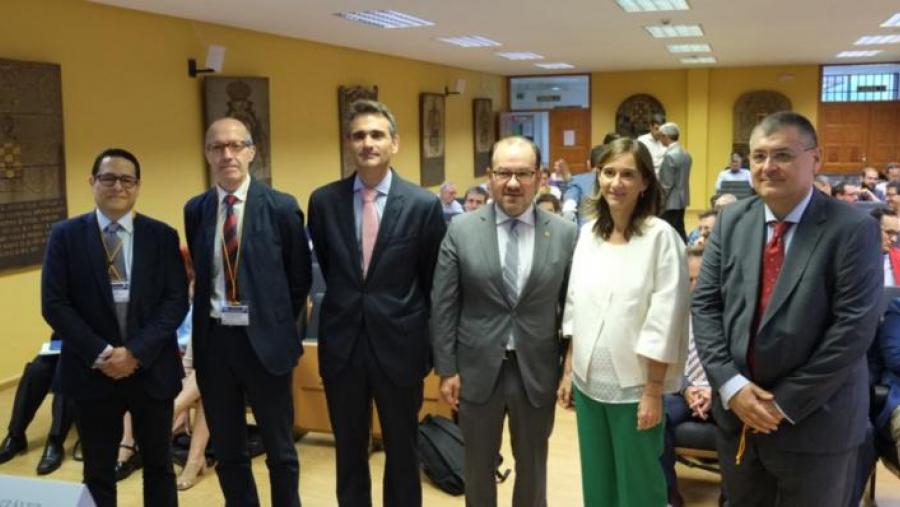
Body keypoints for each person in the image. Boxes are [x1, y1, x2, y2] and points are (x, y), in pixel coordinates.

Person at [692, 111, 882, 507]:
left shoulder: (852, 229)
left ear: (816, 159)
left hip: (816, 423)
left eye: (782, 155)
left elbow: (853, 330)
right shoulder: (731, 221)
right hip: (739, 417)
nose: (767, 167)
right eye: (758, 156)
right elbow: (706, 306)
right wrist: (732, 386)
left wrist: (781, 404)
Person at [307, 100, 446, 507]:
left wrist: (435, 351)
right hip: (342, 345)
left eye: (377, 135)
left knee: (402, 449)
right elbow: (332, 269)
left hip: (400, 346)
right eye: (359, 135)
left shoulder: (421, 204)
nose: (367, 143)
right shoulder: (324, 201)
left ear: (394, 143)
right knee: (348, 449)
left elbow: (431, 281)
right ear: (349, 143)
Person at [432, 135, 577, 507]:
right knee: (477, 468)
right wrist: (447, 368)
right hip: (477, 370)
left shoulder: (563, 234)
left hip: (536, 368)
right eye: (503, 173)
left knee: (533, 467)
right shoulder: (461, 230)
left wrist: (569, 369)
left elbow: (573, 308)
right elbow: (444, 304)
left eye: (523, 174)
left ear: (540, 177)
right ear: (489, 176)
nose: (513, 183)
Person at [42, 148, 188, 507]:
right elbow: (54, 305)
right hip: (93, 371)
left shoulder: (162, 236)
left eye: (127, 179)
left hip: (150, 369)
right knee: (98, 471)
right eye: (108, 178)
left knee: (159, 466)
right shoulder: (65, 236)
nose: (118, 186)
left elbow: (175, 302)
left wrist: (134, 352)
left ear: (137, 187)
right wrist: (104, 353)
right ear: (92, 182)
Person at [184, 118, 312, 507]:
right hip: (216, 344)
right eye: (218, 147)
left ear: (252, 152)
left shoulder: (282, 207)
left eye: (237, 145)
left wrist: (274, 324)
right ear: (207, 154)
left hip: (266, 345)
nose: (227, 154)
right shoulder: (196, 210)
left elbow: (298, 279)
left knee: (280, 451)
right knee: (228, 451)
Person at [557, 137, 689, 507]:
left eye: (628, 174)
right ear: (597, 176)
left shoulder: (661, 238)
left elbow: (666, 319)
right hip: (587, 382)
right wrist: (568, 370)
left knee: (638, 487)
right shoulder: (588, 235)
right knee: (598, 484)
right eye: (609, 172)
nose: (616, 182)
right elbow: (574, 305)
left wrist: (653, 390)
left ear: (645, 182)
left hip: (635, 386)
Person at [661, 247, 711, 506]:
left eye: (699, 279)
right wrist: (687, 389)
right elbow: (666, 363)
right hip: (683, 390)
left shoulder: (730, 313)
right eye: (687, 280)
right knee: (656, 415)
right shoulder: (672, 315)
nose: (693, 287)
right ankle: (669, 498)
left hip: (722, 394)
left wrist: (713, 392)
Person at [0, 336, 75, 475]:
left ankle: (55, 441)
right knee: (36, 369)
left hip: (95, 349)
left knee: (65, 369)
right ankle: (15, 435)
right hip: (64, 344)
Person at [658, 122, 692, 242]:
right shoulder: (686, 153)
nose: (659, 139)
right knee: (679, 230)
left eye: (660, 136)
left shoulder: (670, 156)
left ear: (665, 136)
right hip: (682, 199)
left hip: (670, 201)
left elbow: (666, 184)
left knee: (668, 232)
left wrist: (659, 202)